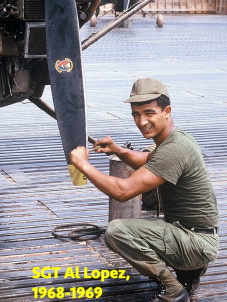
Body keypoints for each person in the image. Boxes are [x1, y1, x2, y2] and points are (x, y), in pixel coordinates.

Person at [69, 78, 219, 302]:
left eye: (149, 113)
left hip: (197, 242)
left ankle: (174, 290)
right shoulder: (175, 139)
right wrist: (118, 150)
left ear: (167, 111)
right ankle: (189, 271)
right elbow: (148, 160)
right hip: (190, 232)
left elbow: (123, 191)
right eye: (136, 115)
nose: (142, 121)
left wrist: (83, 164)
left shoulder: (174, 149)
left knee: (117, 231)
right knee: (135, 230)